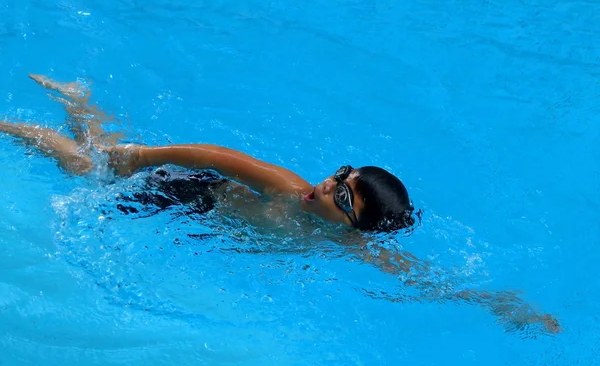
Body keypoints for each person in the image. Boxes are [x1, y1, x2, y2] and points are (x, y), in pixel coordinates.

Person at [0, 74, 561, 335]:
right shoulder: (287, 190)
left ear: (353, 224)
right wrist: (143, 156)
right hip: (189, 189)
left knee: (95, 158)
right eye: (341, 173)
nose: (326, 184)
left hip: (201, 221)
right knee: (89, 166)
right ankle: (18, 122)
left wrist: (503, 306)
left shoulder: (349, 245)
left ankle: (81, 102)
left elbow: (423, 279)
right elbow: (214, 155)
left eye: (341, 193)